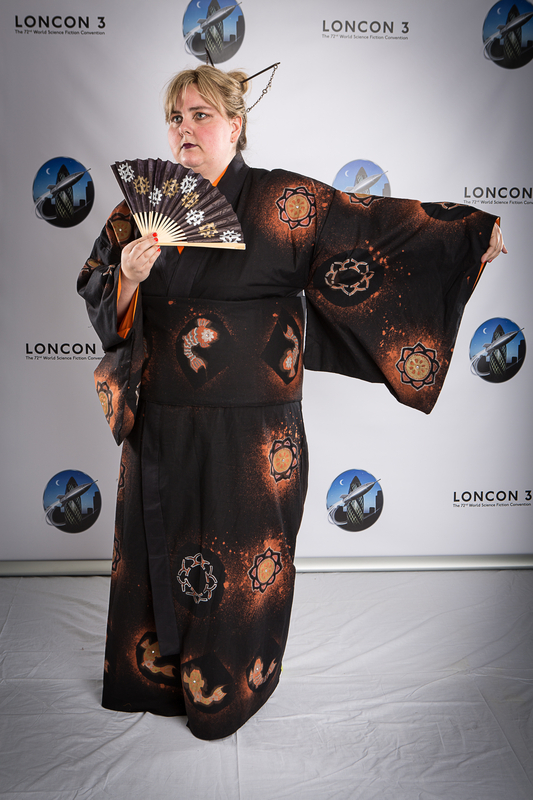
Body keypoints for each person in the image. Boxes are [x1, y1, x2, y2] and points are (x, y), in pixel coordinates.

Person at [78, 65, 505, 741]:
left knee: (242, 556)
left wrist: (468, 237)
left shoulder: (286, 200)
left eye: (200, 115)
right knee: (158, 546)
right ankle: (155, 680)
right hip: (162, 418)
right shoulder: (137, 211)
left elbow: (377, 235)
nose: (185, 129)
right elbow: (100, 297)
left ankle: (226, 692)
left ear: (235, 124)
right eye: (175, 118)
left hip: (255, 431)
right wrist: (127, 278)